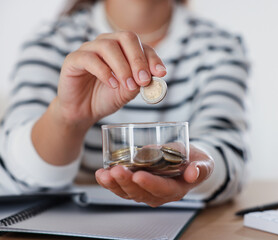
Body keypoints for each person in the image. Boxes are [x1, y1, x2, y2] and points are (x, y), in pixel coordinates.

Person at [0, 0, 249, 206]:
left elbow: (229, 156)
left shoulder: (221, 47)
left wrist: (194, 166)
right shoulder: (49, 42)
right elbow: (10, 172)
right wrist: (68, 118)